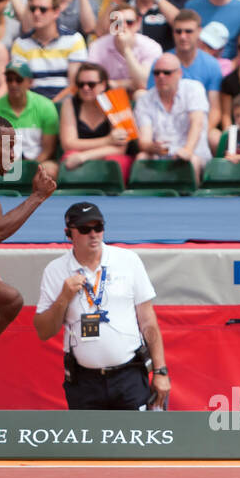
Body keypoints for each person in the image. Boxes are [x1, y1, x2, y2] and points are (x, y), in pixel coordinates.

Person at [34, 202, 169, 411]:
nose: (93, 234)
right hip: (84, 380)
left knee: (137, 440)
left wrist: (160, 371)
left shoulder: (127, 260)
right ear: (68, 233)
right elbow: (44, 331)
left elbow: (148, 321)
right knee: (89, 442)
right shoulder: (56, 270)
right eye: (85, 229)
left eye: (98, 227)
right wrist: (64, 297)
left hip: (129, 374)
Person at [134, 52, 210, 181]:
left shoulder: (194, 89)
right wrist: (152, 147)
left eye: (167, 73)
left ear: (179, 73)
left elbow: (197, 123)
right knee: (141, 157)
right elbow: (144, 141)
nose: (161, 77)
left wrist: (187, 149)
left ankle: (193, 199)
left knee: (192, 161)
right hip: (160, 154)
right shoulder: (144, 99)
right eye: (157, 73)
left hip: (193, 152)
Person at [0, 58, 60, 175]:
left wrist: (32, 166)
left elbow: (48, 149)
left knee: (50, 170)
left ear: (30, 82)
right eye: (9, 80)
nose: (13, 84)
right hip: (5, 163)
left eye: (19, 80)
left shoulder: (46, 106)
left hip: (38, 162)